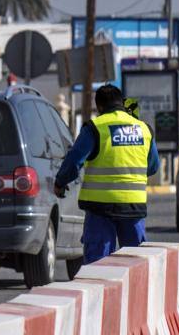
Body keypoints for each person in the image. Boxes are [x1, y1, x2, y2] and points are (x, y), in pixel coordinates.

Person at [54, 85, 160, 264]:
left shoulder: (95, 128)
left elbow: (74, 161)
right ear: (121, 102)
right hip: (133, 206)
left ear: (99, 107)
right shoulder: (143, 129)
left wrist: (60, 182)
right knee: (138, 263)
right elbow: (152, 166)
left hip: (100, 207)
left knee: (98, 264)